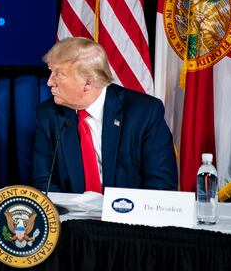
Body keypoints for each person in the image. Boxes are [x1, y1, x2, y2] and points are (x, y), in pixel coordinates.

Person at [32, 37, 177, 193]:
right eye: (50, 71)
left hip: (127, 215)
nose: (49, 82)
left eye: (59, 74)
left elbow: (161, 184)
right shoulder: (48, 114)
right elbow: (44, 182)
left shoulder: (144, 112)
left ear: (89, 83)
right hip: (72, 215)